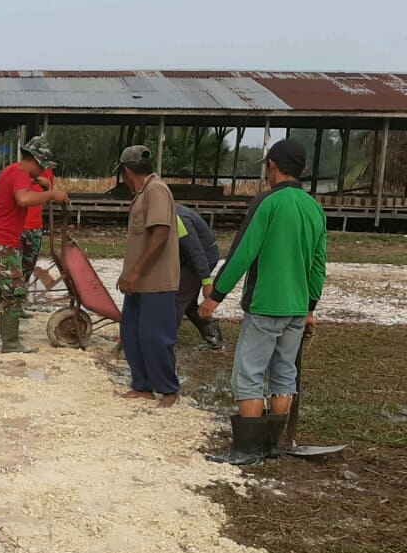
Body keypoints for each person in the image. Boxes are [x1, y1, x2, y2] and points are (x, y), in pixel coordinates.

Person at [202, 139, 326, 465]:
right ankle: (272, 445)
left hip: (266, 306)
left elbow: (243, 253)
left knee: (248, 373)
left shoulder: (267, 203)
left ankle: (247, 449)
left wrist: (215, 297)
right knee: (285, 373)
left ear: (272, 165)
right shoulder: (314, 208)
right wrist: (310, 307)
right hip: (297, 307)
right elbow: (318, 265)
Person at [0, 135, 68, 352]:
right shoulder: (20, 174)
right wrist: (51, 194)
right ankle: (10, 343)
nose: (43, 171)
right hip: (2, 245)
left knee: (1, 289)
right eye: (42, 166)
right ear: (36, 160)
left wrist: (39, 183)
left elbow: (20, 190)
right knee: (16, 292)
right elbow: (23, 199)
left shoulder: (13, 170)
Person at [115, 145, 182, 408]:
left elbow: (161, 234)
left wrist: (135, 271)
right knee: (131, 332)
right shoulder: (144, 193)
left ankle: (168, 390)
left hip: (156, 280)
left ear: (127, 172)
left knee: (156, 336)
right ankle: (142, 385)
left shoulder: (156, 191)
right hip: (139, 282)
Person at [175, 203, 224, 349]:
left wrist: (206, 282)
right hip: (187, 258)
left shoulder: (178, 218)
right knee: (187, 302)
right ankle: (214, 336)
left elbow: (196, 251)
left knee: (177, 299)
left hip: (203, 258)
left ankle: (164, 341)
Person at [19, 164, 56, 316]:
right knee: (13, 267)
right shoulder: (20, 172)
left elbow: (48, 195)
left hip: (35, 226)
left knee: (28, 266)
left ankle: (19, 303)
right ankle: (10, 304)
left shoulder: (48, 175)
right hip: (18, 226)